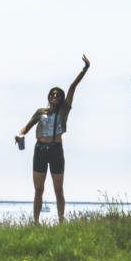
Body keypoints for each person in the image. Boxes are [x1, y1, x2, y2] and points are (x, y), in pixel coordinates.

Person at [15, 55, 89, 224]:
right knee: (38, 189)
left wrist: (85, 69)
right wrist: (20, 134)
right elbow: (27, 127)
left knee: (58, 190)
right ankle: (36, 222)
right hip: (40, 149)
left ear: (61, 98)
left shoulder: (64, 111)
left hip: (56, 150)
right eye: (52, 94)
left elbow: (72, 87)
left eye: (57, 94)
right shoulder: (40, 111)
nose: (54, 96)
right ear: (48, 97)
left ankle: (61, 221)